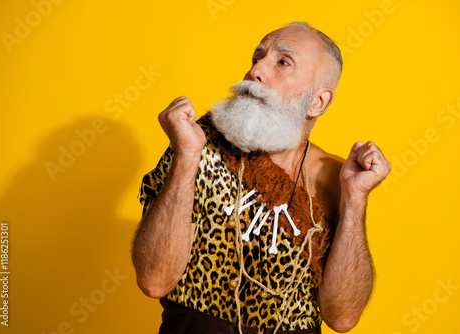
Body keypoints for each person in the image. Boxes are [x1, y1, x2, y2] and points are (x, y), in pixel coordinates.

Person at [131, 21, 392, 334]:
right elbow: (154, 280)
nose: (255, 71)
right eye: (257, 58)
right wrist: (186, 156)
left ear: (317, 102)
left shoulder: (335, 179)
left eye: (282, 62)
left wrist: (354, 200)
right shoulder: (198, 145)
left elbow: (342, 317)